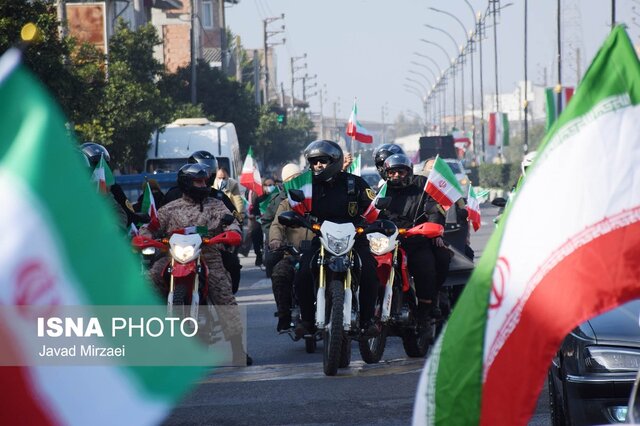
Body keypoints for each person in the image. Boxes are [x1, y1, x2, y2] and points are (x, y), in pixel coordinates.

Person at [141, 163, 252, 366]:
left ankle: (238, 350)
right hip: (173, 256)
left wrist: (234, 231)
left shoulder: (216, 205)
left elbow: (232, 221)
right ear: (186, 183)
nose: (202, 185)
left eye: (204, 181)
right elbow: (150, 227)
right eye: (198, 181)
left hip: (208, 254)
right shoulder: (170, 209)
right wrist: (145, 237)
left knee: (224, 295)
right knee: (148, 281)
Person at [293, 140, 380, 337]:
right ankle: (306, 320)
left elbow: (373, 206)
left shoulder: (354, 183)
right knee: (303, 272)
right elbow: (293, 204)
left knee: (369, 272)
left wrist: (376, 221)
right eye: (314, 162)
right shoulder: (308, 185)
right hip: (322, 236)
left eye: (322, 161)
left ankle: (367, 321)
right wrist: (294, 218)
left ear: (335, 161)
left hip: (354, 237)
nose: (318, 166)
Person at [380, 153, 453, 329]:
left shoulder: (422, 185)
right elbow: (372, 211)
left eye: (401, 172)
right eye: (392, 172)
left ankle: (425, 310)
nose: (396, 176)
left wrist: (434, 231)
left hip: (416, 238)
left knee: (426, 266)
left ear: (409, 172)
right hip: (388, 241)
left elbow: (434, 209)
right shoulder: (382, 190)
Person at [267, 164, 314, 331]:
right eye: (289, 180)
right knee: (279, 274)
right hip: (294, 255)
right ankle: (284, 315)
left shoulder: (317, 199)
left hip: (320, 254)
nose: (294, 182)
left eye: (296, 178)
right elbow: (276, 225)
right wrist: (275, 240)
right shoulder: (286, 204)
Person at [80, 142, 135, 230]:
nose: (100, 171)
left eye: (103, 166)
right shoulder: (72, 189)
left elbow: (119, 213)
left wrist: (115, 228)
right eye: (95, 165)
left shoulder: (107, 190)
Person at [248, 177, 276, 267]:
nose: (268, 187)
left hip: (273, 223)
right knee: (255, 233)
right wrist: (253, 215)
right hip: (261, 222)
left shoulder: (277, 197)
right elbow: (254, 210)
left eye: (271, 185)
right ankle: (258, 255)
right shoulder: (260, 198)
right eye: (266, 185)